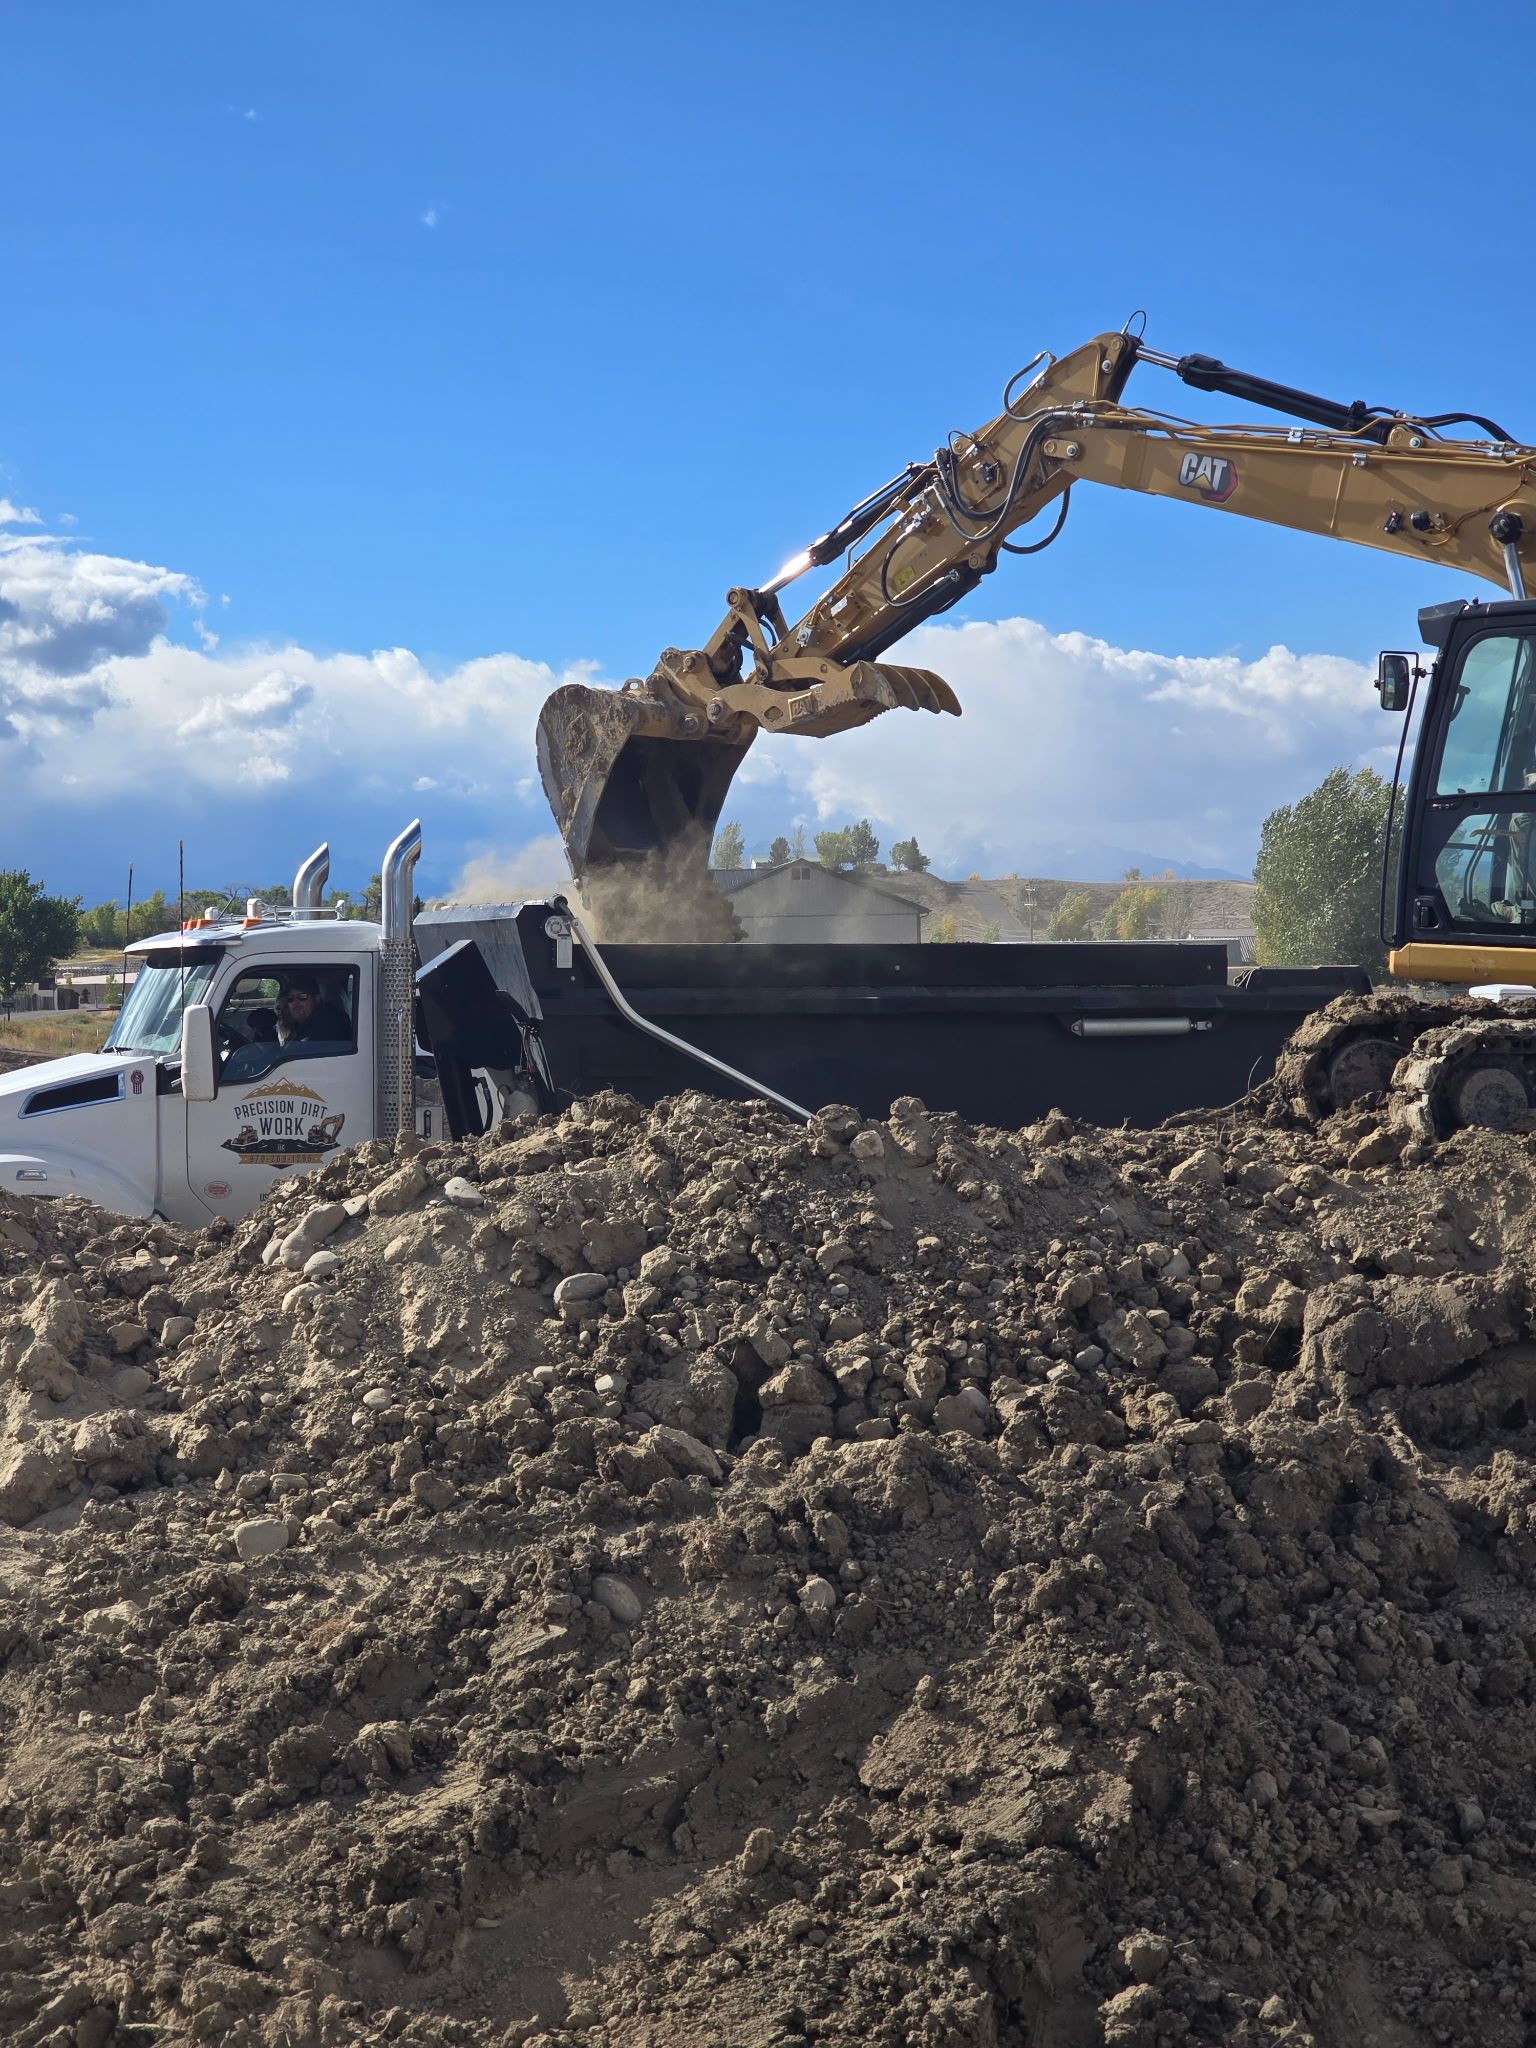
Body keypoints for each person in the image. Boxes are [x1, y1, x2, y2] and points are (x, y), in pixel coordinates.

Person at [277, 973, 351, 1047]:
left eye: (302, 996)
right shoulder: (301, 1025)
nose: (295, 1002)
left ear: (317, 998)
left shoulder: (329, 1023)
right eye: (290, 998)